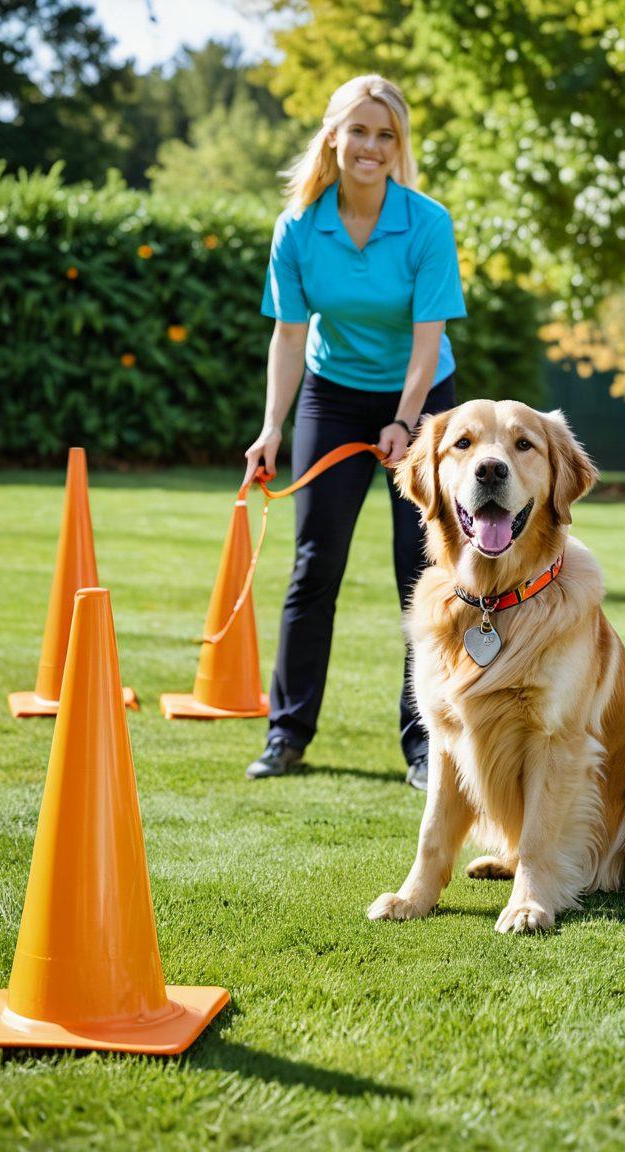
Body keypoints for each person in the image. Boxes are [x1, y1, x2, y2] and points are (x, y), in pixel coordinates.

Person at [243, 74, 466, 789]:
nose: (371, 146)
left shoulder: (426, 221)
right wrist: (270, 428)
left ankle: (426, 744)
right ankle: (287, 734)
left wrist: (407, 423)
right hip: (332, 395)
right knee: (315, 564)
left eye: (386, 135)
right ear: (333, 135)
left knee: (424, 572)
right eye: (359, 131)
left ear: (398, 147)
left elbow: (426, 343)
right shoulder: (300, 227)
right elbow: (287, 335)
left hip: (423, 399)